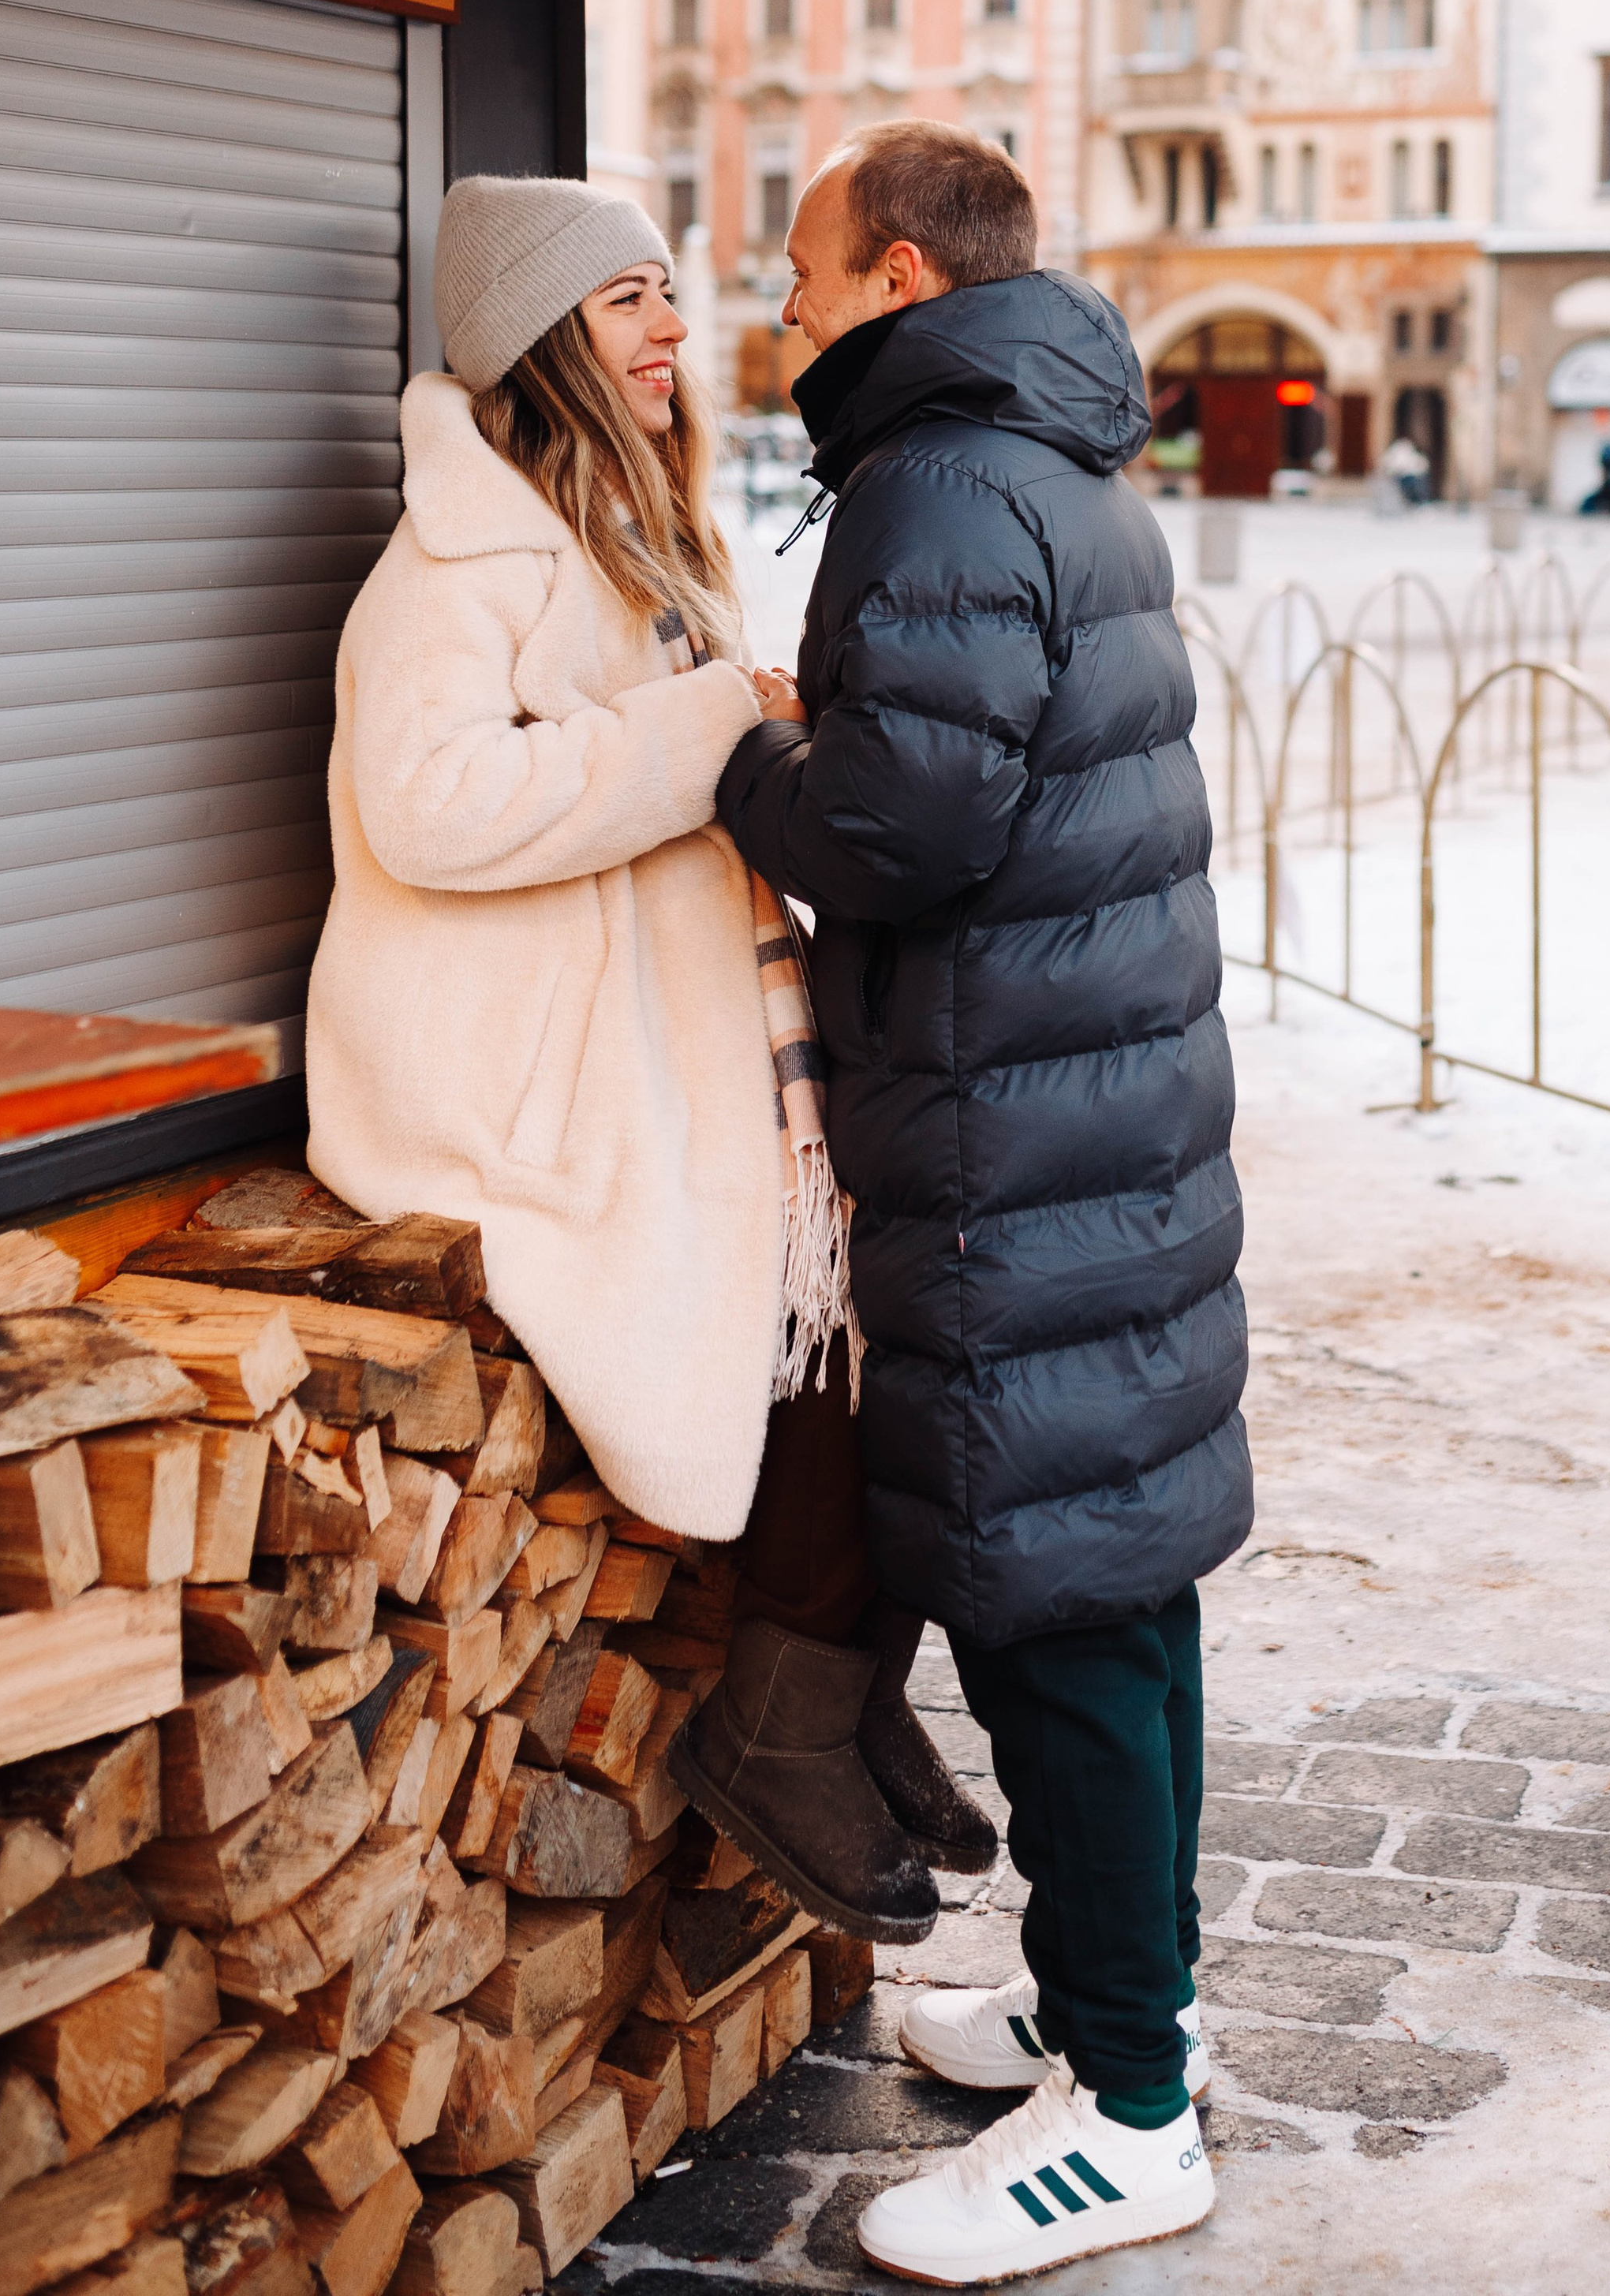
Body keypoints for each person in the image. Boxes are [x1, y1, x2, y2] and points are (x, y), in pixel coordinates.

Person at [305, 173, 990, 1945]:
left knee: (894, 1314)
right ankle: (780, 1720)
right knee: (818, 1350)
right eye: (628, 301)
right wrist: (702, 730)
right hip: (532, 1087)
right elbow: (429, 806)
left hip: (677, 1045)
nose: (676, 327)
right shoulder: (456, 564)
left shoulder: (630, 532)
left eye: (668, 291)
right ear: (544, 338)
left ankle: (838, 1695)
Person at [702, 122, 1250, 2287]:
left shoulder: (930, 477)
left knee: (1056, 1615)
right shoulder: (1056, 453)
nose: (781, 303)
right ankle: (1131, 2002)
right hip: (1094, 1111)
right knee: (1124, 1586)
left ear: (903, 277)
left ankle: (1126, 2114)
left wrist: (752, 758)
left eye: (806, 267)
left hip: (1007, 1128)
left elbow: (903, 828)